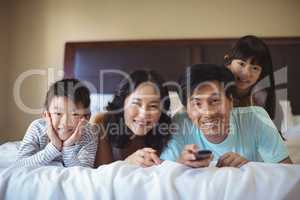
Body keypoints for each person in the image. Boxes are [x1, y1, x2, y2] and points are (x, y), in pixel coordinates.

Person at [160, 64, 292, 168]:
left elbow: (287, 173)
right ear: (186, 108)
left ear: (231, 101)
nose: (208, 112)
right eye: (197, 103)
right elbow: (163, 172)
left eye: (215, 101)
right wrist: (181, 163)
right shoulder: (180, 122)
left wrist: (249, 167)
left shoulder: (256, 118)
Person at [91, 70, 171, 167]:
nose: (143, 114)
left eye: (153, 106)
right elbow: (101, 177)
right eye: (136, 103)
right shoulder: (101, 122)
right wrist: (127, 164)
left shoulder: (166, 130)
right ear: (122, 102)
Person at [16, 78, 98, 167]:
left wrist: (68, 146)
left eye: (74, 114)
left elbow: (83, 171)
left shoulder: (89, 134)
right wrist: (54, 146)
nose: (65, 122)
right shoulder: (38, 127)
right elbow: (20, 164)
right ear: (46, 115)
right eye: (58, 113)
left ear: (86, 117)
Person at [224, 35, 276, 119]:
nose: (246, 73)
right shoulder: (216, 88)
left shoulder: (261, 95)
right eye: (241, 64)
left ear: (261, 73)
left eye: (255, 68)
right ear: (228, 62)